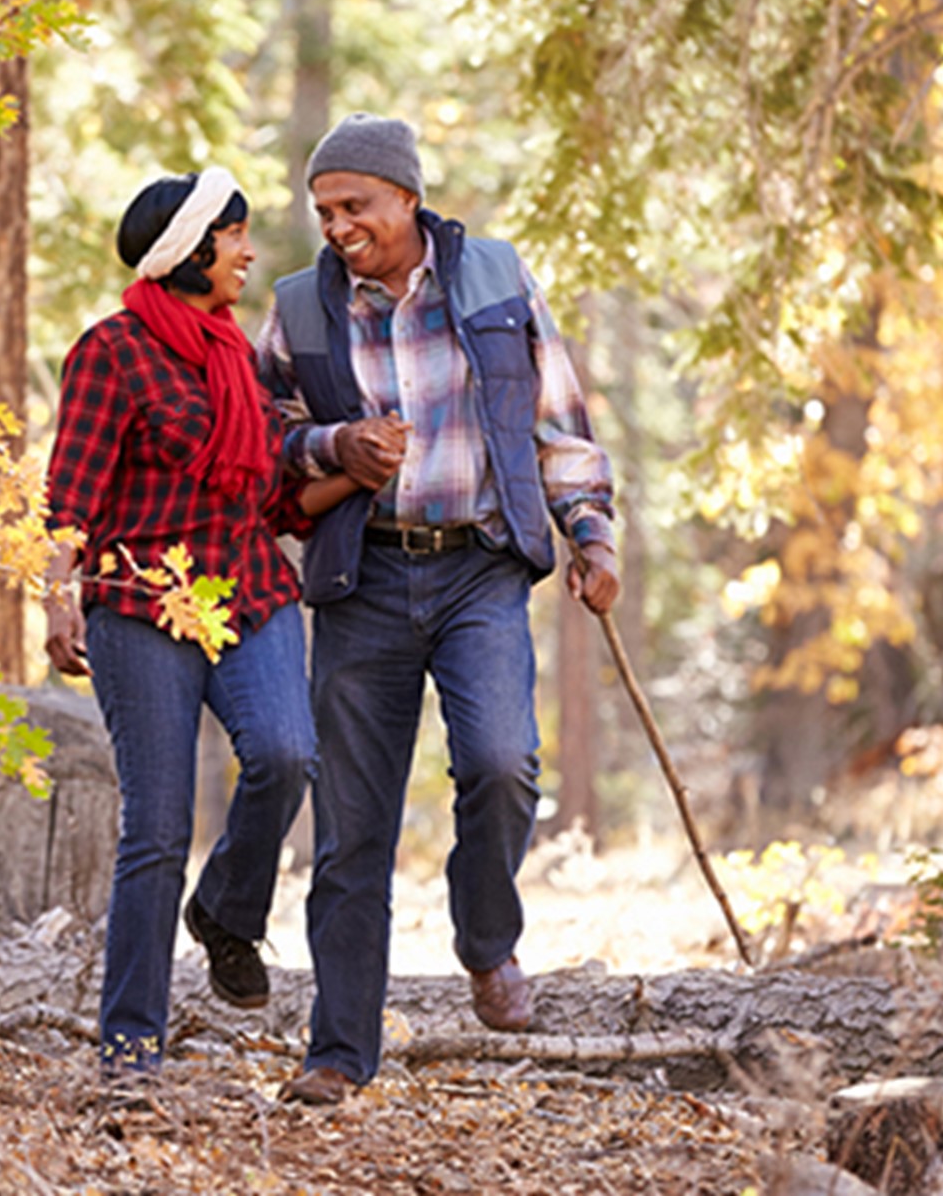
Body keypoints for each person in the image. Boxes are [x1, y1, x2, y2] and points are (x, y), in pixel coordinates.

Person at [255, 114, 622, 1106]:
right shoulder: (299, 310)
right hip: (362, 581)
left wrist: (590, 534)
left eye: (355, 205)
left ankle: (488, 943)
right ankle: (337, 1052)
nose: (337, 226)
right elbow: (265, 441)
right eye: (323, 210)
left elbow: (560, 420)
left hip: (480, 568)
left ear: (406, 197)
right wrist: (334, 447)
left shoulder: (496, 277)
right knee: (352, 826)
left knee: (503, 763)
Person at [43, 168, 357, 1075]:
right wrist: (59, 595)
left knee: (286, 753)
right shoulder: (112, 351)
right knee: (157, 827)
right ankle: (130, 1048)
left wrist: (360, 472)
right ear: (190, 250)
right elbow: (70, 494)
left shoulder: (236, 359)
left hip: (249, 595)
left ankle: (225, 912)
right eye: (234, 237)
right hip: (142, 604)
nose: (248, 253)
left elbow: (278, 499)